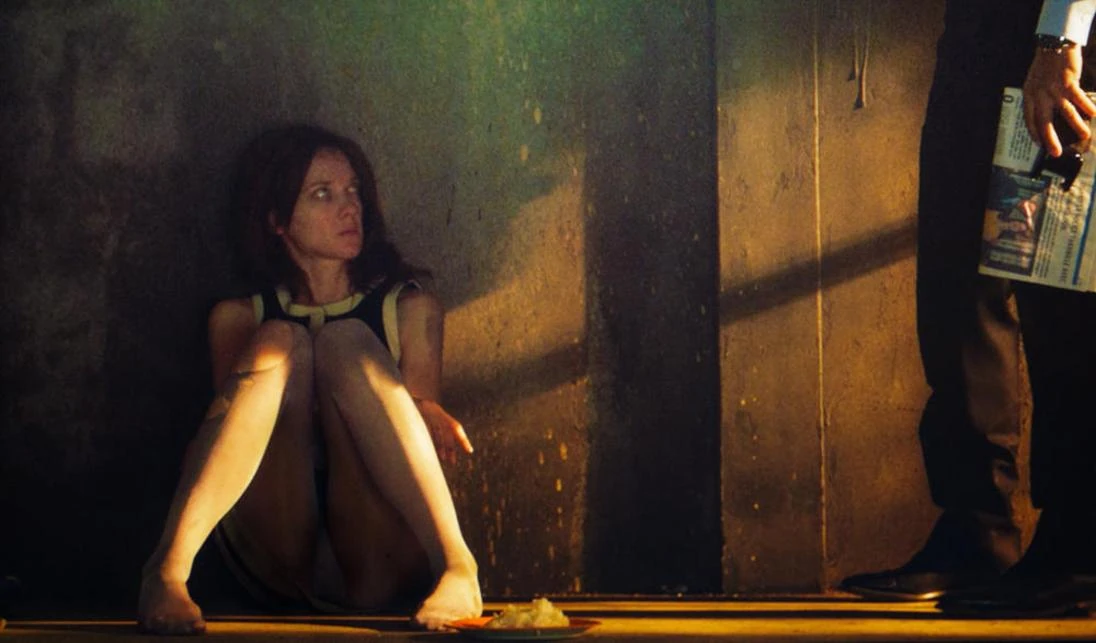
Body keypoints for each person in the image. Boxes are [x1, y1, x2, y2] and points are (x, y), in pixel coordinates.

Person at [136, 124, 482, 633]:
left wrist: (426, 412)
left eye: (352, 191)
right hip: (279, 558)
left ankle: (457, 566)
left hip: (377, 556)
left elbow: (420, 422)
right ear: (277, 220)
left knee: (345, 341)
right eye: (323, 194)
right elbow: (227, 450)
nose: (349, 208)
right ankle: (167, 571)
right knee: (280, 339)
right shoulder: (237, 318)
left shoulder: (410, 308)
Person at [842, 0, 1096, 616]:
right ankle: (977, 531)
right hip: (979, 29)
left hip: (1054, 37)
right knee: (957, 283)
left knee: (1060, 295)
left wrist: (1061, 40)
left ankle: (1078, 545)